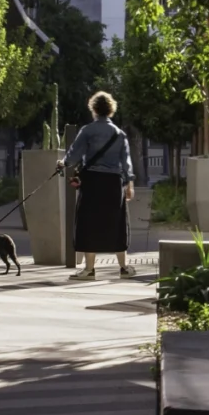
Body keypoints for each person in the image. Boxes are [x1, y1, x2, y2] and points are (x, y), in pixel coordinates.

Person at [65, 90, 136, 280]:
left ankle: (89, 270)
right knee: (117, 223)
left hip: (92, 182)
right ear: (111, 110)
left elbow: (73, 155)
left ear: (94, 109)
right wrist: (129, 184)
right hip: (113, 183)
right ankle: (124, 268)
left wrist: (63, 164)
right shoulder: (119, 134)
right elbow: (126, 161)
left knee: (89, 223)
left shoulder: (87, 130)